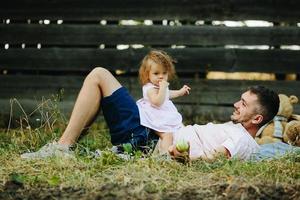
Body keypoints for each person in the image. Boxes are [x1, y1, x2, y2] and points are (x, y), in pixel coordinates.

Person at [21, 66, 279, 161]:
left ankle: (63, 147)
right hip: (155, 133)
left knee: (99, 75)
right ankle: (66, 146)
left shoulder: (241, 141)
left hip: (149, 140)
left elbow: (216, 158)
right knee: (100, 77)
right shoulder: (238, 133)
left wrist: (178, 153)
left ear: (257, 119)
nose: (236, 104)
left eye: (243, 104)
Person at [136, 50, 190, 154]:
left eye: (164, 73)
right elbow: (157, 102)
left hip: (163, 115)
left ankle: (179, 150)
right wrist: (163, 88)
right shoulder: (149, 88)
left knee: (180, 131)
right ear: (147, 75)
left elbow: (168, 94)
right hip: (155, 117)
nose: (161, 76)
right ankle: (165, 155)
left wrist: (180, 92)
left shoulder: (160, 87)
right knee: (167, 134)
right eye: (156, 73)